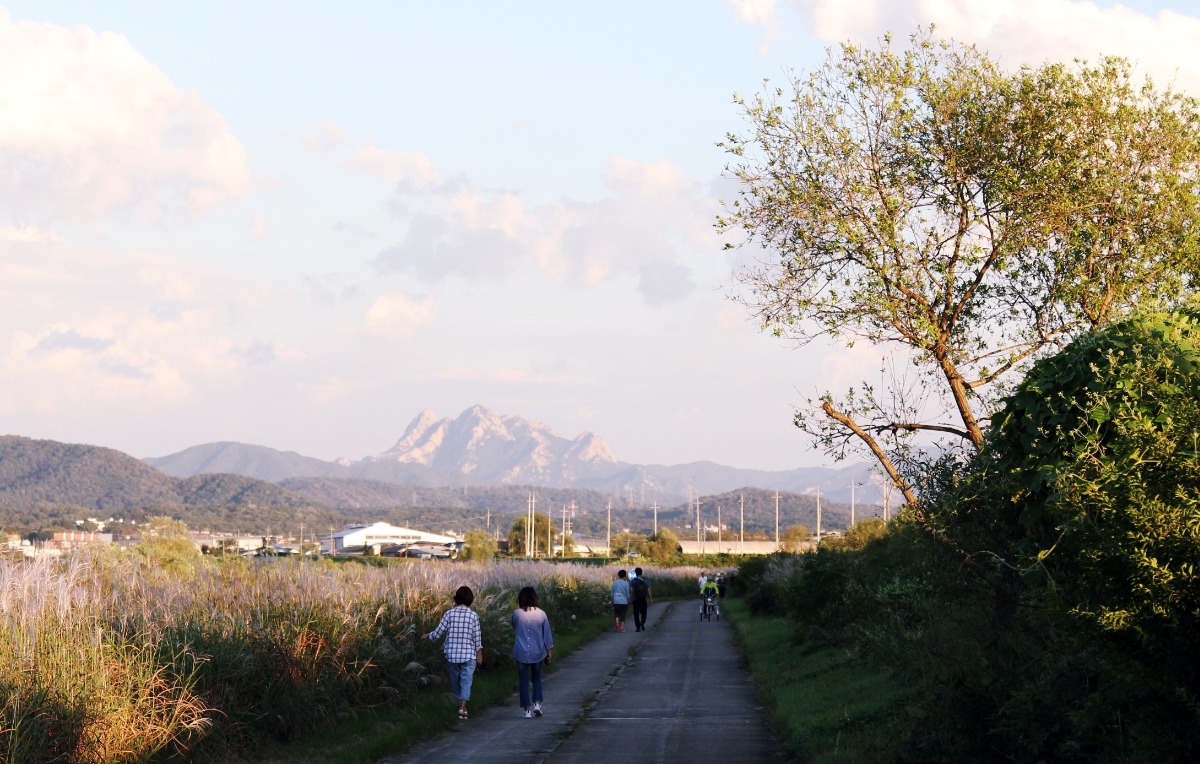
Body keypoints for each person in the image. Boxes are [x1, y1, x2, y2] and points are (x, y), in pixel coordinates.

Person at [428, 585, 484, 719]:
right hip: (469, 655)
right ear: (470, 599)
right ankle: (462, 708)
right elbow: (477, 636)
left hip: (452, 656)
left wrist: (427, 635)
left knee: (455, 683)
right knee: (466, 682)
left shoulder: (449, 614)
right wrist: (479, 652)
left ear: (456, 599)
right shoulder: (473, 616)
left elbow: (438, 633)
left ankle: (461, 707)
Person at [512, 586, 554, 719]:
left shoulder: (516, 613)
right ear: (535, 598)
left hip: (521, 651)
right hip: (538, 651)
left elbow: (514, 626)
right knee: (536, 678)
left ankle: (526, 710)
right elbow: (546, 635)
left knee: (523, 680)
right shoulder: (541, 614)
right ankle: (537, 703)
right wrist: (549, 652)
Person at [630, 566, 652, 632]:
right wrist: (650, 598)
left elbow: (631, 590)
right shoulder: (645, 580)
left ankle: (638, 628)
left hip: (635, 599)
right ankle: (642, 623)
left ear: (635, 573)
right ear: (641, 573)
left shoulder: (633, 581)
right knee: (644, 612)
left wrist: (631, 598)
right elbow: (648, 590)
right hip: (643, 598)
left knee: (636, 614)